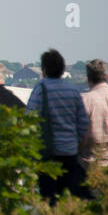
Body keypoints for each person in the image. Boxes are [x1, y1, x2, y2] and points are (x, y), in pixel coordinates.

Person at [27, 49, 91, 204]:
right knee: (68, 199)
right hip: (70, 152)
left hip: (48, 153)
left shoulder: (41, 89)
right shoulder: (73, 90)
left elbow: (29, 119)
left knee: (49, 200)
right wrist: (77, 145)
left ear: (44, 69)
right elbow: (84, 124)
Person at [81, 59, 108, 168]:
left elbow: (80, 136)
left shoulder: (86, 100)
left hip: (92, 166)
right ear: (107, 76)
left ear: (88, 79)